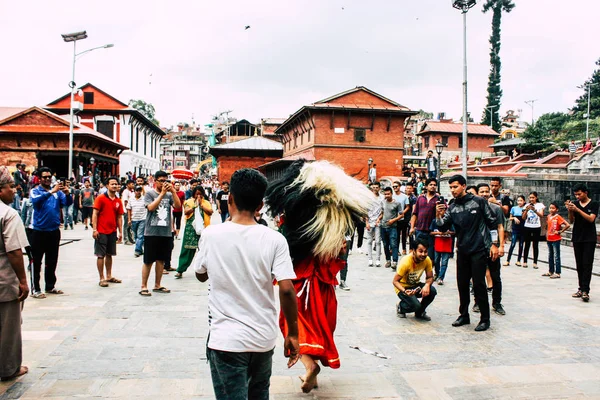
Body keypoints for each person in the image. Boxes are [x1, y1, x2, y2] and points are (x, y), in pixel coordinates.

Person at [264, 160, 373, 393]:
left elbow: (285, 249)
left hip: (302, 283)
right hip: (324, 286)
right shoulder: (333, 225)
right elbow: (340, 254)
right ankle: (310, 374)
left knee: (293, 324)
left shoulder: (296, 223)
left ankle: (309, 364)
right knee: (320, 326)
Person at [193, 168, 300, 400]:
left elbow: (200, 274)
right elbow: (287, 289)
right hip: (263, 339)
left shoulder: (211, 235)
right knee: (259, 394)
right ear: (260, 206)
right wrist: (293, 333)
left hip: (226, 340)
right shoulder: (275, 239)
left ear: (229, 198)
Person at [436, 175, 499, 332]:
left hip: (479, 249)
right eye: (450, 187)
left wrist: (495, 244)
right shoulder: (452, 206)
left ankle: (485, 319)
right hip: (462, 249)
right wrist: (438, 214)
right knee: (462, 284)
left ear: (463, 186)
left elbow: (492, 222)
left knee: (478, 284)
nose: (452, 190)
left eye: (455, 187)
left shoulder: (478, 202)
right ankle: (464, 315)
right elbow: (443, 227)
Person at [0, 167, 30, 381]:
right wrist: (22, 280)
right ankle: (9, 367)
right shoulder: (8, 214)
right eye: (11, 187)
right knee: (8, 326)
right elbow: (14, 251)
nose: (15, 191)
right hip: (4, 277)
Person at [139, 171, 181, 296]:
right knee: (148, 260)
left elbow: (178, 206)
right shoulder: (149, 194)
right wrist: (162, 194)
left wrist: (173, 192)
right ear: (155, 181)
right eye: (161, 180)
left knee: (161, 260)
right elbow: (150, 208)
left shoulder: (169, 195)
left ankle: (157, 284)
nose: (164, 183)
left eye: (165, 181)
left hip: (165, 232)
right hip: (151, 232)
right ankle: (143, 286)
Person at [30, 167, 66, 299]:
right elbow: (35, 201)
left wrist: (67, 194)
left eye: (49, 176)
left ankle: (50, 285)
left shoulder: (57, 192)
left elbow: (66, 203)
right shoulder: (35, 191)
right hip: (39, 231)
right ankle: (35, 288)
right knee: (36, 261)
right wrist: (51, 192)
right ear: (39, 178)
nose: (47, 179)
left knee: (52, 260)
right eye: (44, 177)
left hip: (54, 231)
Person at [476, 183, 506, 316]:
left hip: (493, 246)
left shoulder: (496, 209)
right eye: (481, 191)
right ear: (477, 193)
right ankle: (478, 301)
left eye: (486, 191)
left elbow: (500, 227)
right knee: (478, 276)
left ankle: (497, 302)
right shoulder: (474, 209)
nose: (484, 194)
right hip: (478, 247)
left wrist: (501, 246)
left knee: (496, 276)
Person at [566, 184, 598, 303]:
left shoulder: (593, 204)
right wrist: (570, 211)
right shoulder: (575, 204)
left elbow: (591, 219)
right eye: (576, 195)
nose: (578, 197)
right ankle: (580, 288)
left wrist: (577, 210)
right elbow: (571, 220)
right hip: (577, 236)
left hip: (589, 238)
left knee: (587, 264)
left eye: (579, 194)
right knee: (579, 265)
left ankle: (586, 290)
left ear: (585, 192)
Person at [92, 177, 124, 288]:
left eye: (116, 184)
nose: (114, 186)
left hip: (112, 231)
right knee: (100, 255)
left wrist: (120, 232)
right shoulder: (100, 198)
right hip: (101, 231)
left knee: (110, 254)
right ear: (107, 186)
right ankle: (101, 278)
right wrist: (94, 229)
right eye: (112, 184)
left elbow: (119, 217)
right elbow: (95, 213)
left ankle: (109, 275)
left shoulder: (118, 201)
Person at [393, 239, 436, 320]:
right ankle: (401, 307)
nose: (423, 254)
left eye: (425, 251)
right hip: (402, 287)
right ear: (414, 251)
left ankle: (419, 312)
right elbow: (395, 281)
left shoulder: (427, 260)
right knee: (416, 305)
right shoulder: (406, 262)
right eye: (420, 251)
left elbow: (430, 277)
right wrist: (404, 291)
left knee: (432, 291)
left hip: (415, 285)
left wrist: (427, 285)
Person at [175, 186, 212, 278]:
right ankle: (180, 270)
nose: (198, 196)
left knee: (204, 250)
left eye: (200, 194)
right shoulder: (189, 202)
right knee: (187, 250)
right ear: (193, 194)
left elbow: (210, 212)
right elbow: (186, 212)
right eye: (197, 194)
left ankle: (205, 270)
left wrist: (201, 205)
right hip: (191, 229)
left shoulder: (206, 202)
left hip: (204, 228)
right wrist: (196, 205)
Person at [410, 178, 439, 262]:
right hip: (419, 230)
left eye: (434, 185)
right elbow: (415, 214)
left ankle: (431, 273)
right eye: (431, 185)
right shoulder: (420, 198)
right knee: (417, 253)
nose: (433, 186)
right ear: (426, 186)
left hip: (431, 231)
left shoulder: (438, 199)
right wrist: (412, 227)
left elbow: (442, 215)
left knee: (430, 255)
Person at [544, 201, 570, 279]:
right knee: (550, 255)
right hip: (549, 238)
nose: (551, 210)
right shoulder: (548, 216)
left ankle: (557, 272)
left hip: (556, 238)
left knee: (556, 256)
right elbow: (547, 226)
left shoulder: (558, 217)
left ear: (557, 209)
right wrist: (546, 234)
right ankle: (550, 271)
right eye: (550, 208)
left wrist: (560, 231)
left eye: (553, 208)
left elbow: (567, 225)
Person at [522, 192, 545, 269]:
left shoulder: (540, 205)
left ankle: (535, 262)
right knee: (527, 244)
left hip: (536, 226)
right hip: (527, 226)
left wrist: (535, 210)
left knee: (535, 244)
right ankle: (525, 261)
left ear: (536, 197)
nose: (531, 199)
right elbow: (523, 218)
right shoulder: (526, 205)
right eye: (530, 197)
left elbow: (541, 215)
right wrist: (526, 210)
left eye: (533, 197)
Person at [381, 187, 401, 269]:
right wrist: (379, 219)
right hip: (383, 226)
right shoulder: (382, 202)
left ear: (392, 194)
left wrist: (393, 220)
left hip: (393, 227)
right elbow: (382, 213)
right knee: (385, 244)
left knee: (393, 244)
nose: (387, 195)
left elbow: (401, 215)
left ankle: (395, 261)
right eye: (385, 194)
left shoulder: (397, 203)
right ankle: (388, 260)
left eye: (388, 194)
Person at [429, 219, 453, 285]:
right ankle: (437, 273)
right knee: (436, 260)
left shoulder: (450, 221)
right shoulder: (434, 221)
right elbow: (431, 232)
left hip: (447, 243)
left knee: (444, 262)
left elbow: (454, 231)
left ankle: (441, 277)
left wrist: (448, 232)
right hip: (438, 242)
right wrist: (439, 233)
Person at [365, 181, 383, 267]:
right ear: (371, 188)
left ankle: (378, 259)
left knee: (378, 241)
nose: (375, 189)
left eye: (377, 187)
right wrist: (367, 222)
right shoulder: (368, 198)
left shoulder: (382, 198)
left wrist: (379, 219)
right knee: (369, 241)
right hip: (369, 221)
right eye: (373, 187)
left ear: (379, 188)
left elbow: (383, 210)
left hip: (378, 222)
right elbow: (365, 211)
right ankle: (370, 259)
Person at [505, 195, 526, 267]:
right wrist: (514, 218)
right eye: (518, 200)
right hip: (515, 228)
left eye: (521, 201)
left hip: (523, 228)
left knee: (521, 245)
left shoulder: (525, 208)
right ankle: (508, 260)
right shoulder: (514, 208)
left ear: (524, 201)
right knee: (513, 244)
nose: (519, 202)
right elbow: (510, 217)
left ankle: (518, 260)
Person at [127, 186, 147, 258]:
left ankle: (137, 250)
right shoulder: (131, 199)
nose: (138, 192)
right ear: (134, 191)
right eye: (137, 190)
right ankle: (140, 249)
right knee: (136, 236)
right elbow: (129, 209)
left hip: (142, 219)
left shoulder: (144, 199)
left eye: (139, 190)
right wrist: (129, 219)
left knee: (140, 235)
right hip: (134, 219)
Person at [392, 181, 410, 256]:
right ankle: (397, 250)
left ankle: (404, 249)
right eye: (393, 187)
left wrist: (403, 212)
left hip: (402, 218)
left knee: (403, 235)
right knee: (396, 235)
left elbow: (408, 206)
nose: (395, 188)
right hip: (394, 218)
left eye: (396, 186)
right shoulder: (392, 196)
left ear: (399, 187)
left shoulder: (404, 196)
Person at [120, 180, 135, 245]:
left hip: (131, 211)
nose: (133, 185)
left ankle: (130, 239)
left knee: (130, 226)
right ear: (128, 184)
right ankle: (125, 240)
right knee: (126, 225)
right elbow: (126, 202)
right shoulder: (125, 192)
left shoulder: (132, 192)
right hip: (126, 211)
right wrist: (127, 210)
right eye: (132, 184)